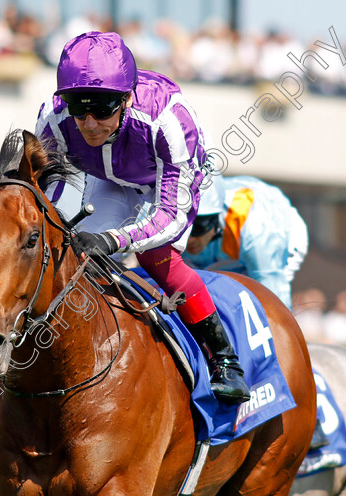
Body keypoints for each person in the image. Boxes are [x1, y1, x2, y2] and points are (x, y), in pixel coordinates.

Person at [35, 31, 249, 403]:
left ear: (127, 99)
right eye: (78, 108)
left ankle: (224, 359)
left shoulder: (169, 121)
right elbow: (48, 191)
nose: (88, 123)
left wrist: (115, 239)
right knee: (77, 253)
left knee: (155, 257)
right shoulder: (52, 119)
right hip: (108, 177)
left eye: (102, 110)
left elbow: (169, 217)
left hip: (168, 179)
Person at [183, 175, 309, 309]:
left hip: (278, 237)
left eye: (198, 227)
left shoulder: (255, 231)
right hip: (224, 249)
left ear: (216, 218)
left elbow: (273, 296)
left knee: (249, 303)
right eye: (184, 228)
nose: (189, 239)